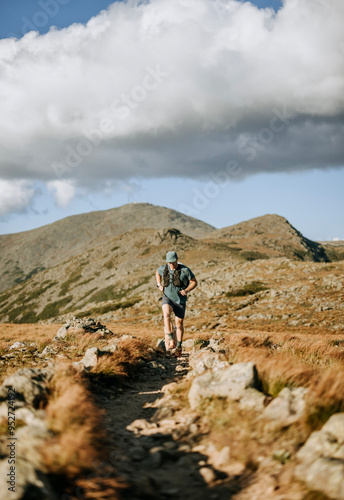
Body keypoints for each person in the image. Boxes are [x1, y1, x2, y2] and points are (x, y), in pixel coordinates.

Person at [156, 251, 197, 357]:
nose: (171, 264)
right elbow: (157, 272)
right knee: (166, 315)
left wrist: (187, 290)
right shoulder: (164, 268)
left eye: (173, 262)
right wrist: (159, 285)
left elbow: (194, 282)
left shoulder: (185, 270)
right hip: (167, 297)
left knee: (179, 323)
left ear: (177, 259)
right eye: (169, 262)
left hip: (180, 300)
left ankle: (179, 346)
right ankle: (171, 339)